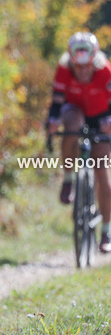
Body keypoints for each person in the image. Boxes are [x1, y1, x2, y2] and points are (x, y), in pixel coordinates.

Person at [46, 31, 111, 253]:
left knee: (103, 171)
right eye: (78, 67)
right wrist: (52, 122)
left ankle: (106, 230)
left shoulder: (105, 71)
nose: (83, 72)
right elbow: (56, 100)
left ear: (94, 61)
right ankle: (68, 179)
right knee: (70, 127)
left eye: (87, 67)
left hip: (101, 116)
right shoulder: (64, 69)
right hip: (75, 110)